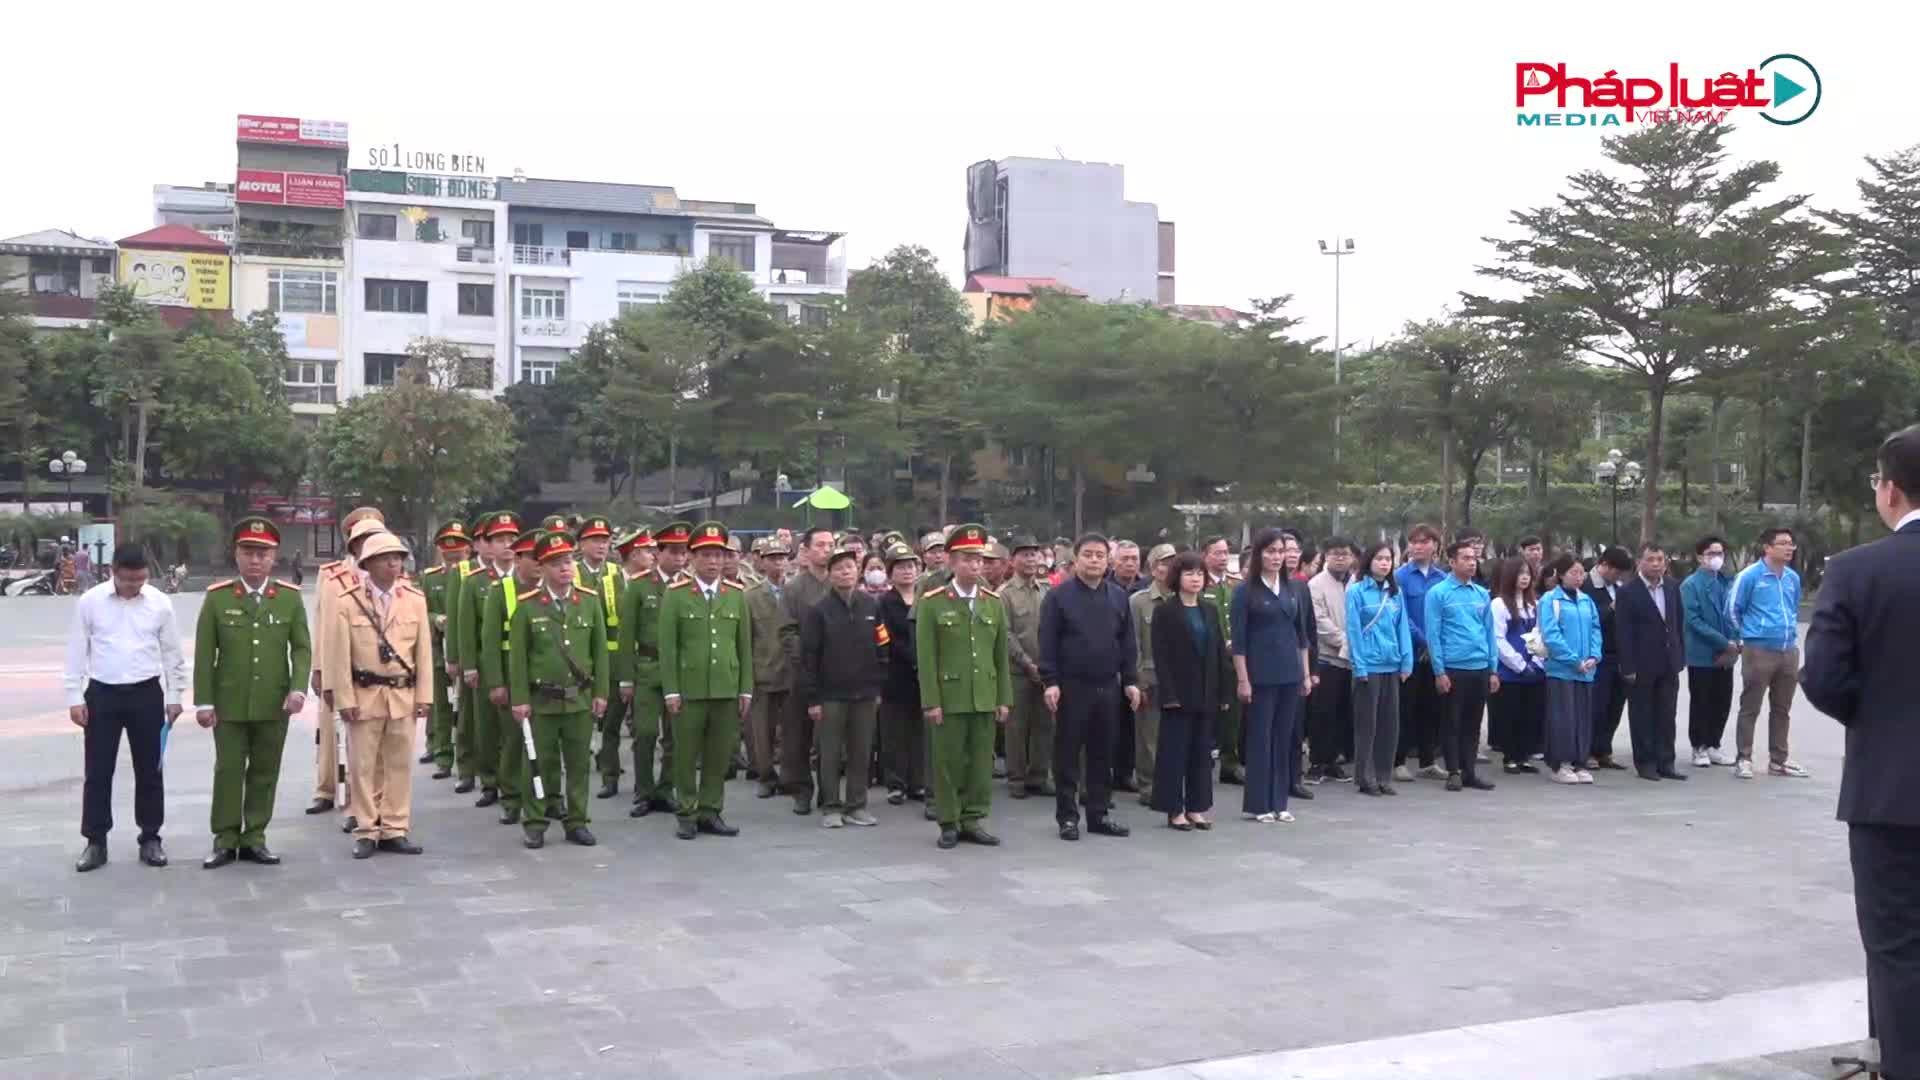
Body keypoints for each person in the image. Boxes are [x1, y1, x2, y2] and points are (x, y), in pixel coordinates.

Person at [1802, 422, 1920, 1079]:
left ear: (1890, 490)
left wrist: (1879, 724)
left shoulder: (1856, 570)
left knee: (1897, 948)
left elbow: (1823, 678)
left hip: (1890, 794)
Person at [195, 517, 310, 869]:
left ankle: (255, 837)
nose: (255, 560)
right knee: (228, 771)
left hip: (274, 703)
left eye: (263, 553)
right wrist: (204, 701)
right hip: (229, 704)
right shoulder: (218, 598)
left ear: (274, 557)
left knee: (265, 771)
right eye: (248, 552)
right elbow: (204, 653)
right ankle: (225, 839)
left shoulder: (289, 598)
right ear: (236, 555)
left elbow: (301, 648)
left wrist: (298, 689)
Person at [67, 543, 189, 872]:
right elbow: (77, 650)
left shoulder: (159, 603)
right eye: (128, 580)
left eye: (140, 579)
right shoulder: (90, 602)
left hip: (146, 694)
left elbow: (172, 653)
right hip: (102, 694)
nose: (135, 586)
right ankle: (95, 841)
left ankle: (150, 837)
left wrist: (175, 695)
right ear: (112, 572)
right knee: (97, 771)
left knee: (150, 769)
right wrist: (74, 697)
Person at [322, 531, 432, 859]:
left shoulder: (415, 600)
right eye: (386, 558)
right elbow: (339, 655)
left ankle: (395, 828)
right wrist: (344, 699)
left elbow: (423, 653)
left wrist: (424, 696)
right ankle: (367, 829)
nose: (393, 563)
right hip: (364, 695)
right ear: (367, 564)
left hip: (402, 694)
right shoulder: (347, 601)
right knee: (362, 767)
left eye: (398, 557)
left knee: (400, 765)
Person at [508, 531, 609, 849]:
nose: (565, 568)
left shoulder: (589, 601)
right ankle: (535, 822)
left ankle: (577, 821)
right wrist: (519, 699)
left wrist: (601, 693)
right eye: (556, 563)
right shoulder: (528, 606)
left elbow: (600, 652)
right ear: (542, 568)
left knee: (579, 764)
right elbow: (518, 658)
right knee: (538, 763)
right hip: (542, 700)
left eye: (568, 561)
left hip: (579, 698)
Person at [917, 524, 1012, 849]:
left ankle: (973, 818)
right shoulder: (932, 602)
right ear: (951, 562)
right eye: (967, 559)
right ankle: (949, 820)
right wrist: (931, 701)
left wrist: (1003, 698)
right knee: (948, 761)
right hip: (950, 695)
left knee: (981, 761)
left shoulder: (992, 602)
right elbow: (926, 657)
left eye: (979, 559)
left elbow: (1000, 655)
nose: (975, 565)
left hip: (984, 694)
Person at [1041, 533, 1141, 840]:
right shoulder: (1058, 597)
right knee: (1068, 754)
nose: (1094, 560)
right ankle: (1067, 817)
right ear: (1076, 559)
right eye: (1088, 554)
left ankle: (1099, 814)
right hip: (1072, 686)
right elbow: (1048, 642)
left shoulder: (1118, 596)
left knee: (1103, 753)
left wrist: (1131, 681)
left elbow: (1127, 642)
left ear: (1108, 560)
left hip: (1108, 686)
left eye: (1100, 555)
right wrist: (1050, 681)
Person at [658, 522, 752, 840]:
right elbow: (668, 648)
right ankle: (687, 811)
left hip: (726, 687)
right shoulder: (677, 595)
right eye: (706, 555)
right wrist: (671, 690)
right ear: (692, 558)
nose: (713, 561)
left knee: (718, 755)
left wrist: (745, 689)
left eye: (718, 555)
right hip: (690, 689)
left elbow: (744, 646)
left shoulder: (736, 595)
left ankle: (710, 810)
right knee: (686, 755)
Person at [800, 547, 888, 829]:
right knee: (829, 754)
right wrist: (813, 699)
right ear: (830, 574)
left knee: (861, 751)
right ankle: (831, 806)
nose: (845, 572)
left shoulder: (872, 606)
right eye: (838, 568)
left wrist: (878, 686)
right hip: (831, 695)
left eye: (849, 567)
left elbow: (883, 646)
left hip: (865, 693)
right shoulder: (819, 611)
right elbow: (809, 657)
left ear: (858, 571)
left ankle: (856, 805)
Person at [1231, 528, 1314, 822]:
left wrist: (1306, 674)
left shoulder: (1294, 589)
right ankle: (1259, 804)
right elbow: (1238, 642)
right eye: (1271, 551)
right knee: (1261, 739)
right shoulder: (1245, 591)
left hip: (1290, 673)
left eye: (1281, 551)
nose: (1277, 557)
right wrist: (1243, 679)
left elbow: (1302, 637)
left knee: (1283, 738)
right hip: (1260, 675)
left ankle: (1280, 802)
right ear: (1259, 554)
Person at [308, 507, 386, 820]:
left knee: (369, 737)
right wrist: (317, 667)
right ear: (351, 542)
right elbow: (321, 621)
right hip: (335, 663)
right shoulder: (331, 575)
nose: (368, 543)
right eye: (362, 538)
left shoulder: (390, 575)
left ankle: (365, 798)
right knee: (330, 730)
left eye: (374, 536)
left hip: (373, 667)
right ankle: (327, 789)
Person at [1150, 551, 1231, 831]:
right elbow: (1160, 656)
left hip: (1206, 692)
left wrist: (1223, 693)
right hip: (1178, 694)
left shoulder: (1209, 610)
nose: (1195, 579)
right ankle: (1174, 809)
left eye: (1199, 573)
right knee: (1175, 754)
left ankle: (1197, 807)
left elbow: (1219, 653)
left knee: (1201, 754)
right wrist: (1168, 694)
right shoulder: (1165, 611)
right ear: (1177, 577)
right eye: (1189, 573)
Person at [1728, 527, 1809, 780]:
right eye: (1783, 543)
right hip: (1758, 650)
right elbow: (1732, 609)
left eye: (1791, 543)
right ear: (1767, 547)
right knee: (1750, 706)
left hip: (1788, 649)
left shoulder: (1792, 578)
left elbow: (1792, 608)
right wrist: (1745, 638)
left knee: (1782, 708)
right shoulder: (1750, 576)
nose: (1789, 548)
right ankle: (1744, 758)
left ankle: (1778, 760)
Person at [479, 529, 543, 825]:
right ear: (519, 560)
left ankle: (547, 798)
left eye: (544, 558)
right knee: (514, 740)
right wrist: (496, 682)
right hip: (510, 674)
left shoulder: (553, 589)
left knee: (545, 743)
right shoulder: (501, 590)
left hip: (544, 678)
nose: (540, 563)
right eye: (533, 557)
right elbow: (490, 640)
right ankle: (511, 797)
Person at [1425, 540, 1499, 793]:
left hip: (1480, 666)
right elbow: (1433, 635)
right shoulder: (1438, 593)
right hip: (1453, 667)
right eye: (1465, 558)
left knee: (1473, 723)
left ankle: (1469, 772)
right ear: (1452, 562)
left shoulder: (1481, 593)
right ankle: (1454, 771)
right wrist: (1439, 671)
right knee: (1452, 722)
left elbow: (1489, 632)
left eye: (1473, 558)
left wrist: (1493, 668)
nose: (1471, 563)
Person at [1615, 542, 1687, 782]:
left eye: (1660, 559)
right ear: (1639, 562)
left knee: (1667, 714)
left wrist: (1680, 655)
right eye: (1650, 559)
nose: (1656, 564)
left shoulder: (1672, 587)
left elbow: (1678, 622)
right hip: (1641, 663)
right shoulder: (1627, 591)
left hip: (1668, 662)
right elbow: (1623, 632)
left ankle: (1666, 762)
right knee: (1642, 714)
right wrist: (1628, 666)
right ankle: (1645, 763)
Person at [566, 517, 626, 802]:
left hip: (612, 659)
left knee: (611, 721)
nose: (602, 545)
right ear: (581, 544)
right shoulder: (571, 572)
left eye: (605, 540)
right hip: (579, 660)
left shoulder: (616, 573)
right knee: (580, 721)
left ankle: (610, 773)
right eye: (595, 540)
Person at [1346, 541, 1412, 796]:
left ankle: (1384, 777)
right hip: (1368, 666)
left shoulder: (1395, 592)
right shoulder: (1357, 591)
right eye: (1379, 558)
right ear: (1369, 561)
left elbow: (1402, 628)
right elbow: (1354, 630)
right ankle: (1366, 777)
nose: (1385, 563)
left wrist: (1406, 661)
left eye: (1388, 559)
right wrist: (1359, 666)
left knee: (1389, 724)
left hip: (1391, 664)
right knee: (1368, 725)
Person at [778, 526, 834, 816]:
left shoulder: (840, 583)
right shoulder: (794, 588)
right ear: (807, 550)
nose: (827, 550)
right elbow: (787, 631)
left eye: (831, 545)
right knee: (798, 735)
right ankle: (801, 790)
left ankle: (829, 792)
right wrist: (809, 657)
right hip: (802, 672)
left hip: (835, 673)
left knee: (830, 737)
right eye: (820, 545)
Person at [1538, 553, 1601, 785]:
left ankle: (1580, 762)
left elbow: (1596, 629)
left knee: (1583, 718)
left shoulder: (1587, 600)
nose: (1579, 577)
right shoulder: (1550, 600)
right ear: (1561, 574)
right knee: (1563, 717)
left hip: (1586, 670)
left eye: (1582, 573)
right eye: (1574, 572)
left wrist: (1594, 655)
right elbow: (1551, 634)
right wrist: (1573, 660)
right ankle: (1560, 764)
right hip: (1561, 669)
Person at [1680, 535, 1741, 768]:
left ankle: (1714, 744)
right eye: (1711, 554)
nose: (1716, 558)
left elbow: (1735, 614)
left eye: (1720, 553)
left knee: (1722, 700)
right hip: (1702, 653)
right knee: (1701, 701)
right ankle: (1699, 746)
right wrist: (1723, 642)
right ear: (1700, 557)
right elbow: (1693, 620)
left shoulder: (1727, 582)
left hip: (1727, 653)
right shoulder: (1690, 585)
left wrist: (1735, 640)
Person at [418, 520, 472, 778]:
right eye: (448, 555)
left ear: (467, 551)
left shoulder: (473, 577)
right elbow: (420, 611)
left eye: (457, 554)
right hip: (439, 650)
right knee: (441, 706)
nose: (453, 560)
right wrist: (436, 619)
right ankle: (442, 755)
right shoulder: (430, 578)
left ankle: (468, 757)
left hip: (468, 652)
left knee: (466, 710)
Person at [1393, 524, 1448, 782]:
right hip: (1410, 654)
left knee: (1432, 709)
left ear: (1435, 545)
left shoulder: (1443, 578)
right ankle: (1398, 761)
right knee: (1405, 709)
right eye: (1414, 542)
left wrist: (1435, 645)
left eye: (1424, 542)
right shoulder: (1400, 577)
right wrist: (1424, 641)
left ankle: (1428, 762)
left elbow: (1446, 614)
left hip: (1435, 656)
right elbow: (1401, 614)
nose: (1418, 546)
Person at [1001, 534, 1053, 801]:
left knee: (1044, 725)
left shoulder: (1046, 590)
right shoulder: (1005, 594)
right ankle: (1016, 778)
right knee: (1016, 727)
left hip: (1045, 670)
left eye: (1034, 554)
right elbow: (1006, 633)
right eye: (1024, 554)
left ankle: (1039, 776)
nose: (1031, 559)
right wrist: (1026, 662)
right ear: (1013, 560)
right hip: (1017, 671)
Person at [743, 537, 794, 800]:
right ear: (762, 562)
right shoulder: (750, 596)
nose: (778, 563)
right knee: (762, 732)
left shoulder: (795, 592)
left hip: (792, 671)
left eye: (782, 558)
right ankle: (766, 777)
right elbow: (745, 639)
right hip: (763, 672)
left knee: (792, 731)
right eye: (773, 558)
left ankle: (789, 777)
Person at [1128, 543, 1178, 804]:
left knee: (1174, 735)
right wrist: (1138, 680)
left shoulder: (1184, 597)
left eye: (1173, 563)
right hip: (1151, 676)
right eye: (1163, 563)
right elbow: (1133, 644)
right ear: (1153, 567)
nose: (1168, 568)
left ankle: (1171, 783)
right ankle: (1149, 785)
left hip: (1179, 677)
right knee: (1149, 737)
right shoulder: (1139, 601)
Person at [879, 542, 927, 806]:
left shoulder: (926, 598)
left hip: (923, 674)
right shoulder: (885, 603)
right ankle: (896, 783)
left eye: (911, 566)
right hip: (896, 673)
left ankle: (918, 782)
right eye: (900, 567)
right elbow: (886, 637)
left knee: (920, 730)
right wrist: (912, 656)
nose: (907, 571)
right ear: (890, 572)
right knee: (895, 731)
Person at [1488, 557, 1546, 775]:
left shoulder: (1535, 604)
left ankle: (1524, 756)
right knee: (1509, 714)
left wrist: (1537, 661)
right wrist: (1519, 665)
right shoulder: (1499, 604)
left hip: (1534, 669)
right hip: (1510, 671)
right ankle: (1510, 756)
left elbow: (1541, 634)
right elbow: (1498, 639)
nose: (1525, 578)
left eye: (1528, 574)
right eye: (1520, 573)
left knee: (1530, 714)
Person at [1306, 537, 1357, 784]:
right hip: (1328, 658)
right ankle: (1317, 762)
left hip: (1352, 660)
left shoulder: (1356, 582)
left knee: (1342, 713)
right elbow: (1319, 621)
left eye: (1344, 554)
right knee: (1322, 712)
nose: (1340, 558)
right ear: (1326, 556)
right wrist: (1346, 641)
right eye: (1335, 554)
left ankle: (1333, 760)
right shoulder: (1315, 584)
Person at [1584, 546, 1634, 771]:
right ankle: (1588, 750)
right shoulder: (1586, 585)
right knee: (1596, 705)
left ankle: (1604, 749)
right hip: (1597, 655)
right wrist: (1611, 608)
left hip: (1619, 654)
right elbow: (1588, 619)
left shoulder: (1618, 587)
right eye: (1616, 572)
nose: (1618, 577)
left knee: (1615, 705)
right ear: (1604, 565)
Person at [1200, 536, 1245, 784]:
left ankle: (1230, 762)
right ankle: (1202, 759)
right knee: (1207, 710)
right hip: (1208, 657)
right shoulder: (1200, 584)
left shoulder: (1235, 585)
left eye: (1226, 552)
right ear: (1205, 555)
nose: (1223, 557)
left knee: (1233, 713)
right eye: (1217, 553)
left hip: (1232, 657)